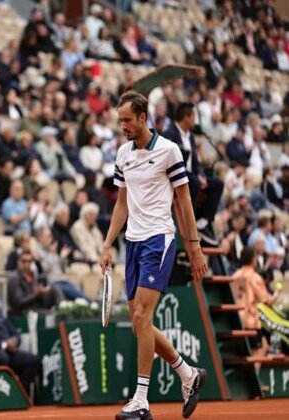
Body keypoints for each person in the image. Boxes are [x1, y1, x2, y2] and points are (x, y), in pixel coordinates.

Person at [100, 91, 207, 420]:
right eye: (120, 121)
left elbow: (184, 201)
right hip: (132, 242)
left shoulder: (169, 151)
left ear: (144, 117)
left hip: (159, 241)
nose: (123, 126)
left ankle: (141, 401)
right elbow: (121, 202)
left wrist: (195, 246)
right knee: (138, 323)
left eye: (128, 120)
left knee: (142, 317)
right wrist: (107, 244)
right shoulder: (122, 153)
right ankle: (187, 373)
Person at [163, 102, 224, 245]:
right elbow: (168, 162)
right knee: (195, 183)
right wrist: (197, 178)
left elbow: (195, 161)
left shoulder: (190, 135)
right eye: (193, 116)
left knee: (217, 184)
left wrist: (201, 175)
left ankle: (203, 222)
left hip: (192, 175)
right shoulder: (169, 133)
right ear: (186, 117)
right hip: (177, 175)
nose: (195, 120)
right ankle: (192, 220)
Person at [232, 247, 279, 363]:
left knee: (260, 346)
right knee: (261, 349)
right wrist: (278, 293)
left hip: (235, 319)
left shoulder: (235, 275)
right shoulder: (255, 277)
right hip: (250, 321)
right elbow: (268, 301)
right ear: (253, 259)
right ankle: (253, 379)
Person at [8, 250, 62, 316]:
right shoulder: (15, 278)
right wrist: (36, 294)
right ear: (18, 262)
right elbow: (19, 302)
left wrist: (43, 292)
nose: (27, 264)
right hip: (22, 311)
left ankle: (62, 310)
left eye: (30, 261)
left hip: (36, 306)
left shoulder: (33, 275)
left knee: (54, 288)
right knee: (52, 315)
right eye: (24, 261)